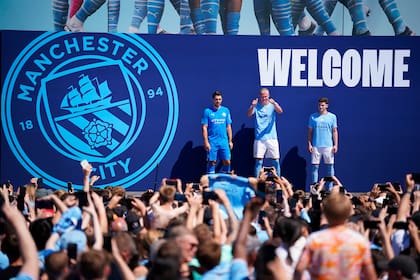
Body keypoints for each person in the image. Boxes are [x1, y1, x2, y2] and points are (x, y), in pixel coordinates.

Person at [294, 193, 376, 279]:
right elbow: (370, 275)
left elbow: (299, 269)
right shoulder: (360, 241)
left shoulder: (315, 239)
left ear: (325, 212)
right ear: (349, 213)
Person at [247, 88, 283, 177]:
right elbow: (249, 114)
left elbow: (280, 111)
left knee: (276, 161)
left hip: (272, 138)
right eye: (262, 97)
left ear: (269, 96)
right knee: (258, 161)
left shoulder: (272, 105)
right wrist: (252, 106)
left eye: (266, 96)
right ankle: (257, 184)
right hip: (259, 139)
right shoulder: (256, 106)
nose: (264, 98)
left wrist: (274, 103)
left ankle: (278, 184)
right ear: (260, 96)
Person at [307, 97, 338, 184]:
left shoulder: (332, 117)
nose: (320, 107)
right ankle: (314, 188)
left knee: (330, 167)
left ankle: (329, 189)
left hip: (328, 146)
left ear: (326, 106)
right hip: (316, 146)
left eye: (322, 105)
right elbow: (309, 132)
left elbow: (334, 131)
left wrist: (335, 145)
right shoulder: (313, 117)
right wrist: (309, 144)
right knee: (314, 167)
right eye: (319, 105)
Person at [201, 91, 233, 174]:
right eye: (216, 99)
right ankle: (210, 183)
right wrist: (206, 142)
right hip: (212, 141)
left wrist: (230, 141)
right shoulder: (207, 111)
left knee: (227, 161)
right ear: (213, 100)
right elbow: (204, 127)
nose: (218, 101)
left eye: (220, 99)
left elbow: (228, 126)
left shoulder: (226, 110)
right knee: (212, 162)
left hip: (224, 141)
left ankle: (224, 181)